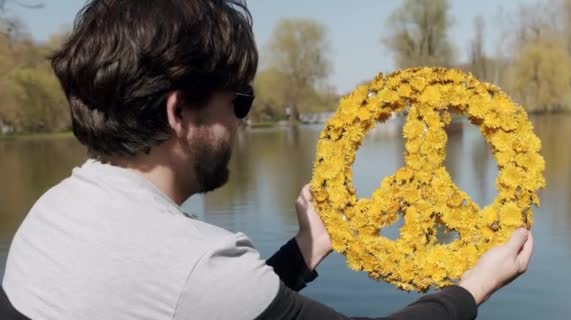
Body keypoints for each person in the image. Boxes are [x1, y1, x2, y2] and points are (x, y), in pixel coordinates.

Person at [0, 1, 534, 319]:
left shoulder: (52, 212)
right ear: (179, 112)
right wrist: (474, 285)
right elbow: (205, 289)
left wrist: (305, 249)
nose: (242, 122)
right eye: (238, 102)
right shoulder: (195, 264)